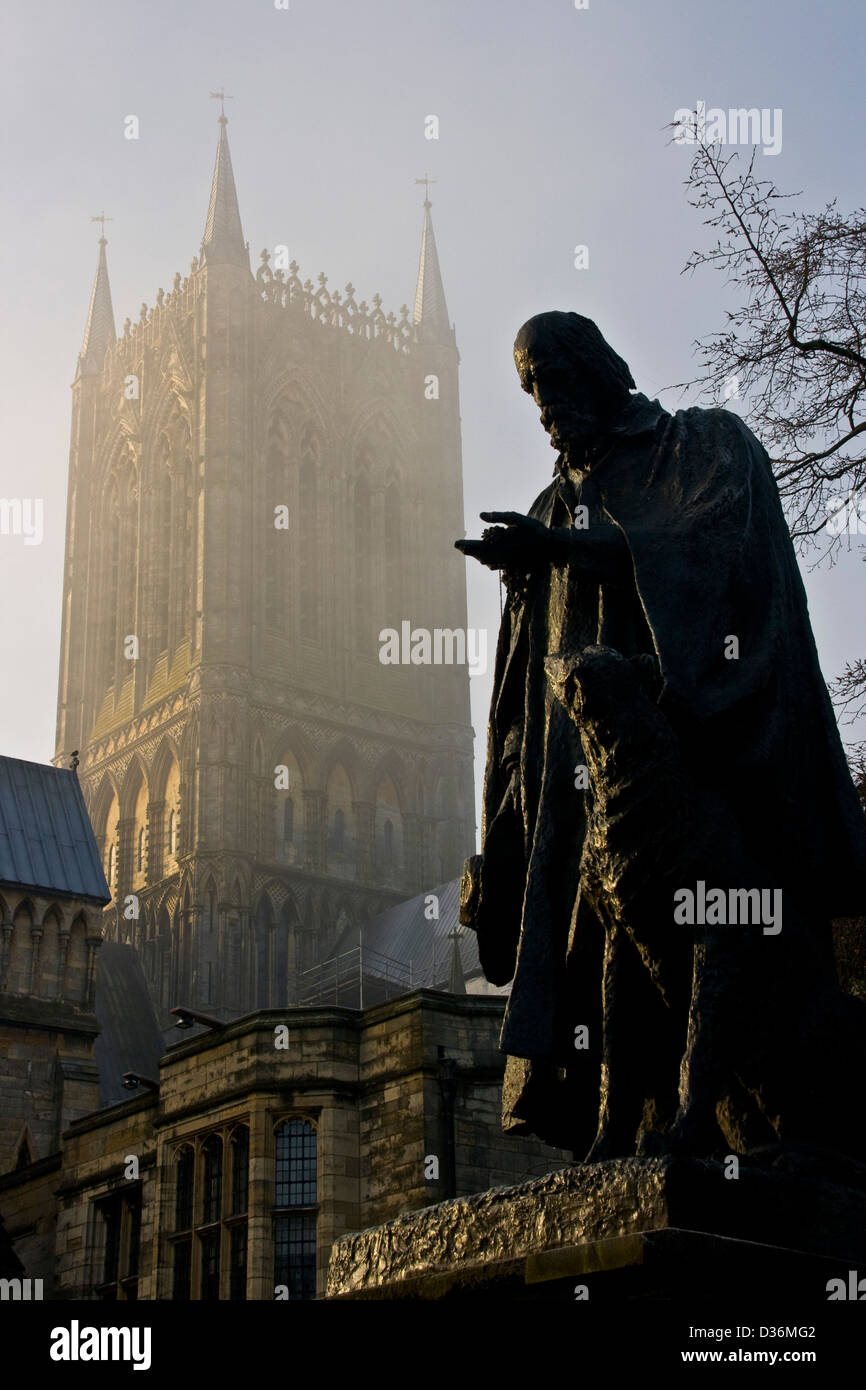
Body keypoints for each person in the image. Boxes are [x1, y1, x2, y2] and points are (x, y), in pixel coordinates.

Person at [456, 311, 866, 1160]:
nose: (543, 406)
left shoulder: (699, 447)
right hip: (578, 786)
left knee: (723, 944)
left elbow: (710, 552)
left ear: (596, 368)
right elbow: (518, 696)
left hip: (690, 759)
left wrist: (570, 551)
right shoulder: (549, 506)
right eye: (529, 391)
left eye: (553, 381)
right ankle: (629, 1123)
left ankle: (732, 1122)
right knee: (606, 957)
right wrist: (500, 829)